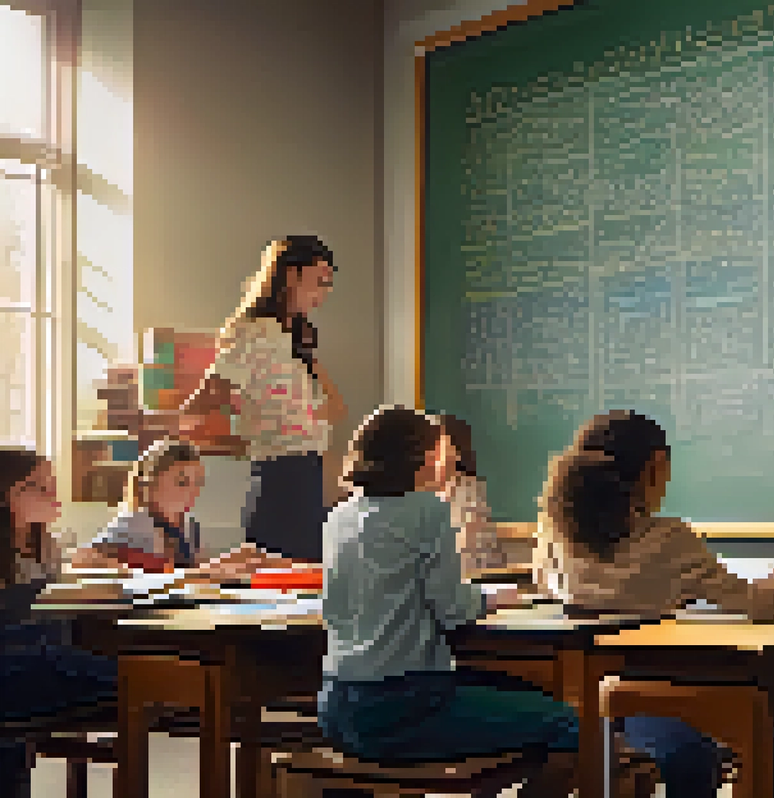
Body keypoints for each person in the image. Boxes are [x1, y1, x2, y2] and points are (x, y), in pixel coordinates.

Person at [537, 410, 774, 798]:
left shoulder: (555, 539)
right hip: (657, 696)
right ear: (655, 467)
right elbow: (759, 603)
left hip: (579, 699)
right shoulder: (669, 540)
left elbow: (548, 590)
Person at [317, 406, 577, 796]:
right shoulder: (427, 510)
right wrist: (492, 599)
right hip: (402, 711)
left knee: (499, 690)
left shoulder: (338, 516)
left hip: (336, 707)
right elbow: (453, 609)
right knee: (569, 723)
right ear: (419, 458)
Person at [181, 235, 345, 562]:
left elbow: (336, 409)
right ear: (290, 275)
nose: (323, 293)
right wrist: (249, 432)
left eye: (329, 285)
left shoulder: (293, 342)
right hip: (279, 476)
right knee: (280, 580)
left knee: (306, 579)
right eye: (319, 281)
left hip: (308, 475)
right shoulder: (255, 332)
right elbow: (205, 399)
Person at [0, 448, 117, 798]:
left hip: (39, 657)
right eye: (37, 487)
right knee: (76, 665)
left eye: (53, 485)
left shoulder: (45, 545)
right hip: (15, 664)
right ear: (6, 496)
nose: (53, 495)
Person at [72, 437, 208, 571]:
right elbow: (82, 558)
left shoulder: (189, 526)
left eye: (198, 483)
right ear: (149, 484)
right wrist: (142, 565)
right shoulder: (135, 522)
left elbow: (193, 572)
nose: (193, 491)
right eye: (182, 482)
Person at [431, 414, 502, 574]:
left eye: (437, 445)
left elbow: (463, 552)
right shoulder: (418, 491)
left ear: (456, 452)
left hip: (471, 579)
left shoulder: (469, 491)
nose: (429, 455)